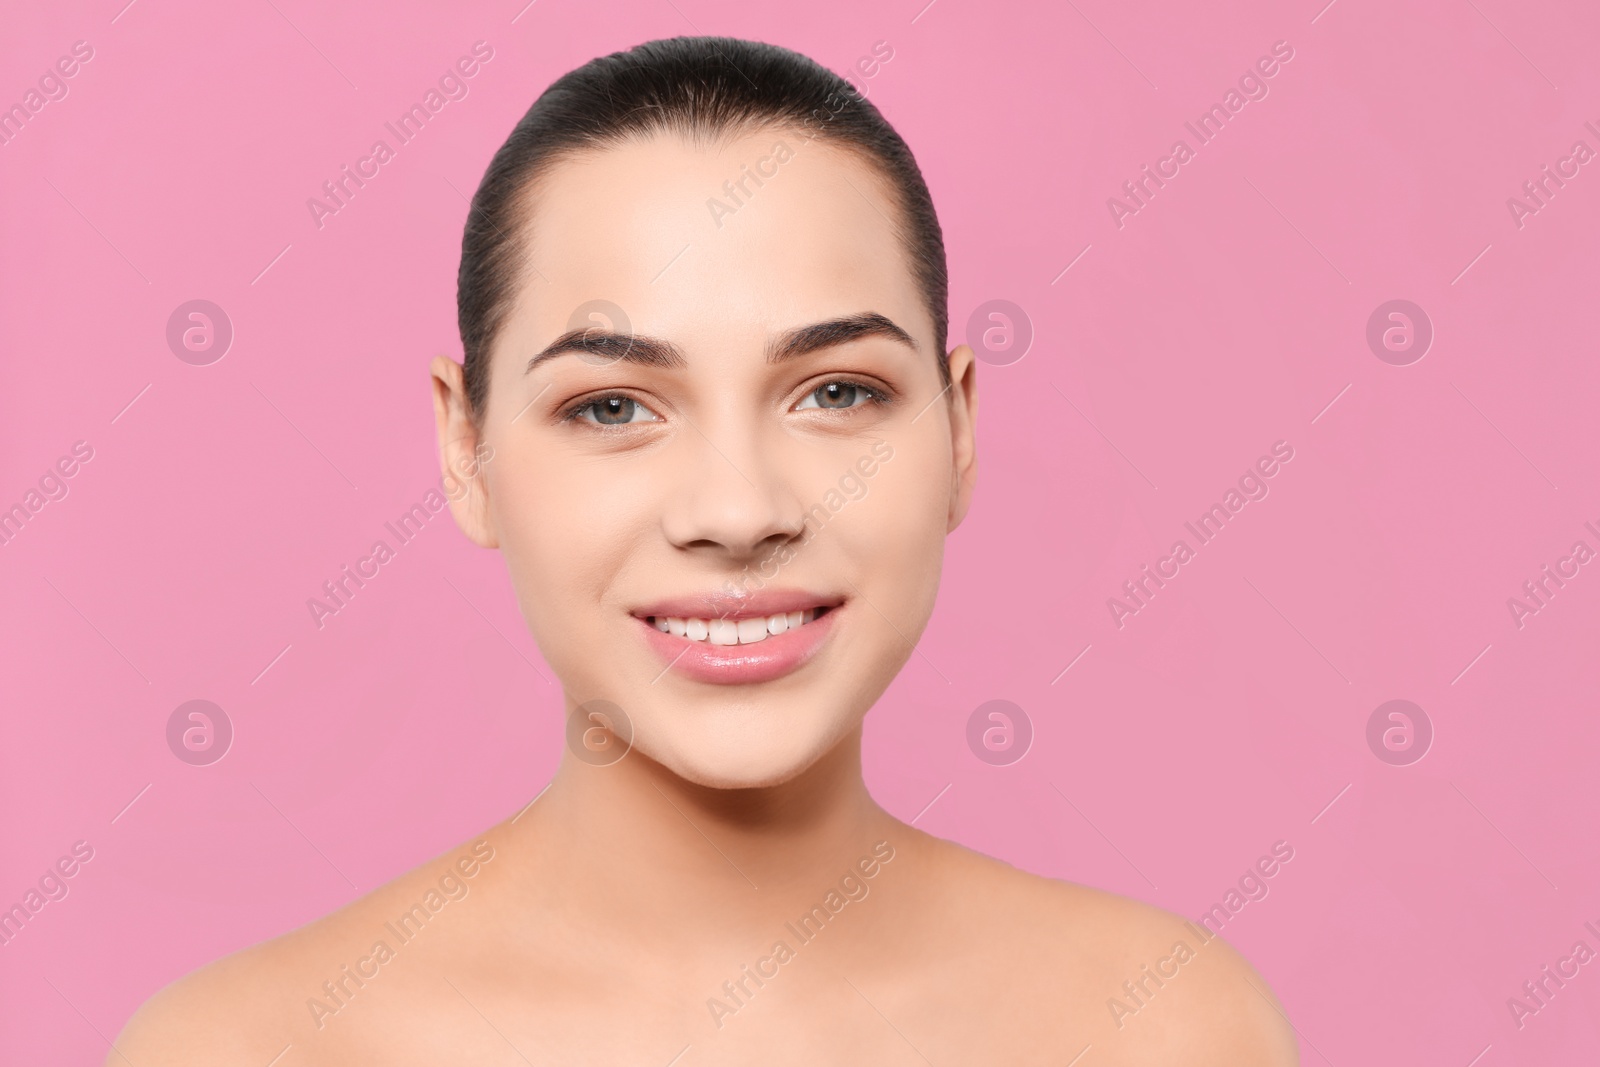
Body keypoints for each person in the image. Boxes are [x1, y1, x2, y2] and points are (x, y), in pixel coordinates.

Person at [113, 36, 1298, 1065]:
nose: (737, 510)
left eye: (835, 390)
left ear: (960, 426)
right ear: (465, 448)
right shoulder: (245, 1050)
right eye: (613, 405)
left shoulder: (1171, 1029)